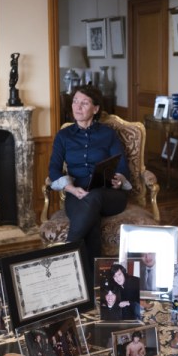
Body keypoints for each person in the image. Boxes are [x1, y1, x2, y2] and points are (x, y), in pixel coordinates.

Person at [47, 85, 131, 261]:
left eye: (84, 103)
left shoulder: (108, 134)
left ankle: (65, 254)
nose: (77, 107)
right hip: (76, 193)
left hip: (109, 195)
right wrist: (70, 188)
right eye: (75, 102)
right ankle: (93, 279)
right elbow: (53, 169)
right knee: (91, 219)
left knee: (94, 197)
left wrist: (118, 181)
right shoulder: (63, 136)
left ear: (96, 109)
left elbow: (122, 167)